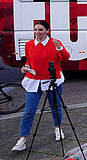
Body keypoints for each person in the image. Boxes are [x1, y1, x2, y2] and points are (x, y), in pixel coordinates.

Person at [12, 20, 70, 152]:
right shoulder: (29, 44)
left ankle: (58, 128)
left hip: (52, 80)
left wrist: (60, 48)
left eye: (40, 30)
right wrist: (25, 67)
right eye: (35, 30)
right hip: (34, 80)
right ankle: (23, 138)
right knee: (29, 111)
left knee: (55, 106)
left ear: (47, 31)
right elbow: (27, 60)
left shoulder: (55, 43)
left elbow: (66, 58)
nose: (37, 33)